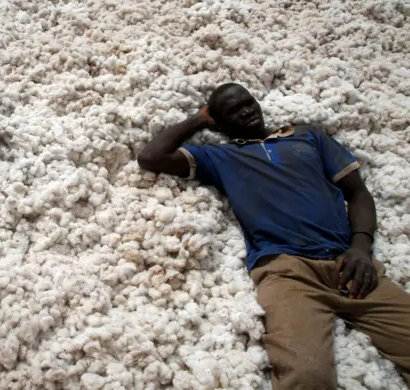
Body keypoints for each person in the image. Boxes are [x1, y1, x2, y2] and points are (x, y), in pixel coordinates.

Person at [137, 83, 410, 389]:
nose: (246, 111)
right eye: (232, 111)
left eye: (247, 102)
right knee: (306, 377)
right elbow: (150, 156)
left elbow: (358, 192)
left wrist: (361, 247)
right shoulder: (219, 156)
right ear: (220, 123)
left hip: (351, 263)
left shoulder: (308, 136)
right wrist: (200, 119)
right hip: (287, 273)